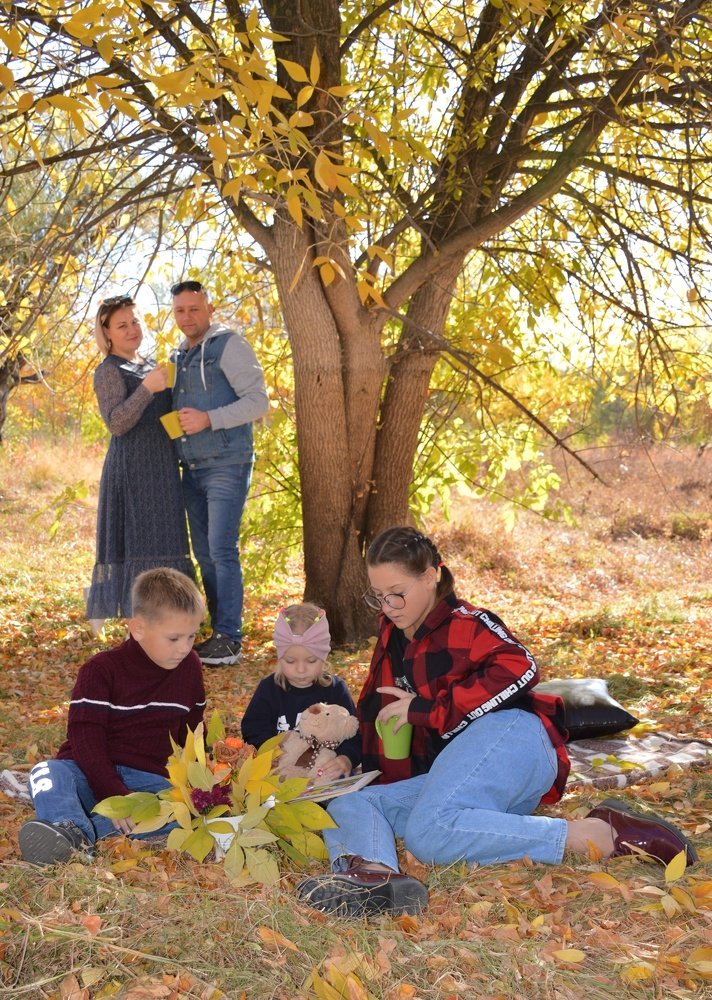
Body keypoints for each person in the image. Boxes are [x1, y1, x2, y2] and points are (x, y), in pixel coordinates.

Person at [296, 527, 698, 917]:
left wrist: (427, 709)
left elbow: (520, 667)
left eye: (397, 592)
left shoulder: (466, 622)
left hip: (514, 738)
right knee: (353, 802)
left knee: (429, 832)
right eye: (379, 595)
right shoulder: (394, 635)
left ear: (431, 576)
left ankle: (596, 834)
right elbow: (376, 711)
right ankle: (372, 876)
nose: (388, 606)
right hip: (461, 771)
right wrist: (350, 759)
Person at [19, 568, 206, 866]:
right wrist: (113, 793)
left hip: (148, 782)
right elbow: (86, 741)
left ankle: (75, 839)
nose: (184, 648)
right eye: (174, 638)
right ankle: (68, 826)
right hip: (85, 772)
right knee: (45, 773)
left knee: (186, 813)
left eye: (192, 636)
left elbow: (194, 732)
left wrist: (206, 778)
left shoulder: (190, 667)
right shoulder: (100, 670)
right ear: (138, 628)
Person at [170, 279, 269, 667]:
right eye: (180, 310)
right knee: (205, 554)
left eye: (194, 309)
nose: (187, 317)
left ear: (209, 309)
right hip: (191, 468)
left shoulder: (230, 345)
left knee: (222, 550)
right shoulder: (179, 356)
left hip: (227, 463)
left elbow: (258, 402)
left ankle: (230, 638)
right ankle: (218, 633)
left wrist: (209, 418)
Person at [85, 295, 194, 627]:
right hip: (131, 471)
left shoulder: (150, 365)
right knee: (139, 546)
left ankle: (171, 626)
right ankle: (141, 631)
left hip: (162, 469)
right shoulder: (108, 371)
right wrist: (147, 388)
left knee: (167, 542)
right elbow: (117, 423)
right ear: (107, 333)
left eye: (135, 321)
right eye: (122, 325)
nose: (132, 329)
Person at [241, 603, 361, 780]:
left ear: (324, 656)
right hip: (280, 780)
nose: (301, 669)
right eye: (290, 661)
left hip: (325, 778)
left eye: (311, 661)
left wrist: (346, 759)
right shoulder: (269, 689)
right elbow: (253, 729)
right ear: (280, 657)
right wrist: (269, 751)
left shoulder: (335, 690)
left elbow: (354, 734)